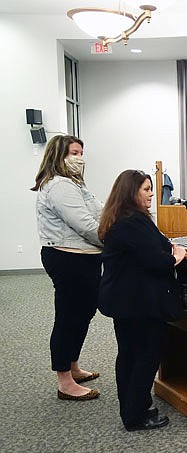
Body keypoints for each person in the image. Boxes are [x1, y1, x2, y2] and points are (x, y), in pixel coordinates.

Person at [98, 170, 187, 431]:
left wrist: (169, 248)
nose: (151, 194)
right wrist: (177, 256)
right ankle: (136, 415)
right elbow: (159, 258)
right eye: (146, 189)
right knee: (144, 356)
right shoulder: (132, 223)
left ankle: (132, 406)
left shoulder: (124, 218)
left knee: (129, 355)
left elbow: (160, 242)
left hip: (127, 301)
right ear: (131, 192)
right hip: (139, 303)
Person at [31, 135, 103, 401]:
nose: (79, 158)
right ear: (59, 155)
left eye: (81, 152)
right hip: (67, 258)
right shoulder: (59, 186)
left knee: (83, 313)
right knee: (69, 316)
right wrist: (115, 241)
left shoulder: (75, 184)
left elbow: (99, 212)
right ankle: (64, 381)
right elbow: (84, 224)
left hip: (85, 257)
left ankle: (73, 366)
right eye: (74, 153)